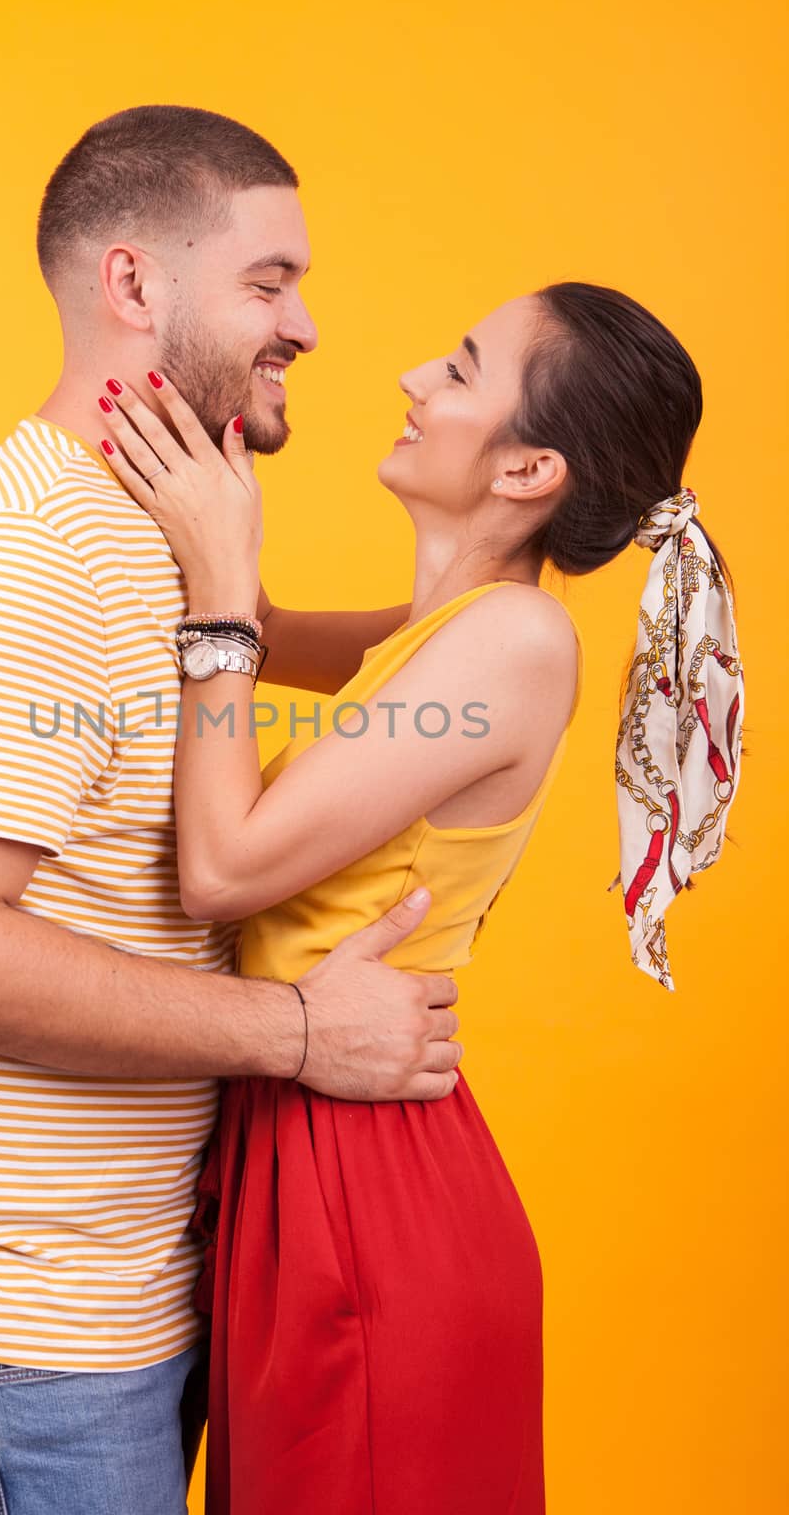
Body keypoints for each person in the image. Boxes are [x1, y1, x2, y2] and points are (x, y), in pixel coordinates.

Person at [0, 106, 465, 1515]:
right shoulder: (25, 552)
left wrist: (501, 598)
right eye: (268, 282)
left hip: (131, 1290)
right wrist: (303, 1035)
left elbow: (278, 635)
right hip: (14, 1333)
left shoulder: (160, 519)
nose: (306, 324)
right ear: (132, 286)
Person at [100, 280, 744, 1513]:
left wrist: (223, 580)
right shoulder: (437, 634)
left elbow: (223, 866)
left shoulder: (513, 644)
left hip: (363, 1176)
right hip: (308, 1140)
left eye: (456, 370)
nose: (408, 376)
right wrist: (198, 483)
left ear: (526, 470)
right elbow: (261, 627)